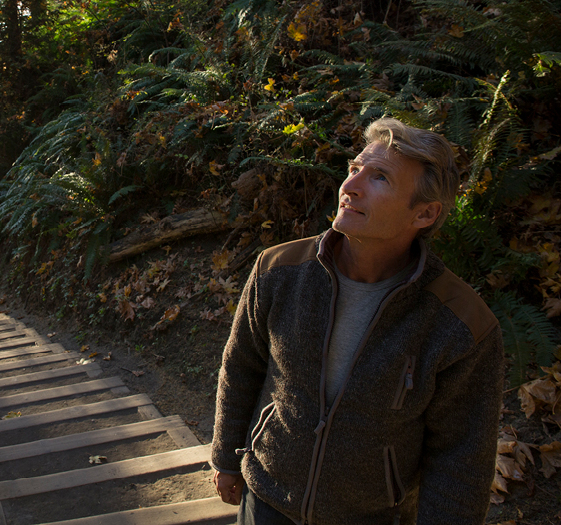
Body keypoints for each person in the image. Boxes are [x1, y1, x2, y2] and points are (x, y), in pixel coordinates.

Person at [210, 117, 503, 525]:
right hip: (268, 500)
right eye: (354, 168)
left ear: (424, 213)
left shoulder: (460, 324)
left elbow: (461, 460)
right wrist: (226, 458)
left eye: (380, 177)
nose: (350, 186)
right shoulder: (279, 271)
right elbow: (241, 366)